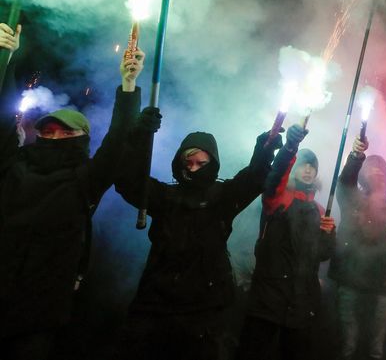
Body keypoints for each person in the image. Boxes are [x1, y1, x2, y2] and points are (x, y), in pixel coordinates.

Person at [0, 22, 143, 360]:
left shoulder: (85, 180)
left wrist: (128, 83)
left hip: (38, 316)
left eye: (65, 133)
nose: (54, 137)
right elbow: (3, 121)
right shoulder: (13, 165)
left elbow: (118, 140)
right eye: (48, 131)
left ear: (81, 141)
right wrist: (6, 60)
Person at [113, 112, 289, 360]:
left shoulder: (223, 198)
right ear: (179, 163)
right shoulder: (164, 197)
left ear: (212, 164)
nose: (193, 169)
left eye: (200, 164)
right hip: (156, 302)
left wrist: (265, 148)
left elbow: (253, 178)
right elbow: (127, 180)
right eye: (188, 163)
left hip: (205, 307)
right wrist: (140, 135)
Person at [236, 129, 337, 360]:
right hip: (267, 299)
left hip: (300, 302)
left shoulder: (321, 211)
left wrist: (329, 234)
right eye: (304, 164)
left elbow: (323, 254)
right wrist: (290, 147)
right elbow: (275, 176)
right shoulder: (279, 198)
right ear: (294, 167)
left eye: (313, 166)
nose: (309, 170)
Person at [328, 137, 386, 360]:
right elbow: (344, 182)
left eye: (382, 170)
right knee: (348, 343)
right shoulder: (351, 198)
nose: (377, 173)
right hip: (350, 279)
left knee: (376, 347)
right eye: (372, 169)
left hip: (383, 283)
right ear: (363, 174)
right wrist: (356, 157)